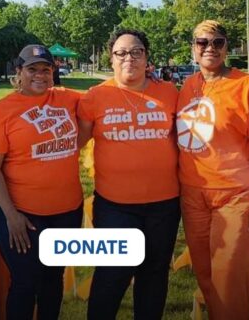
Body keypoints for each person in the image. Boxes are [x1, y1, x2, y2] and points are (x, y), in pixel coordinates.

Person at [176, 20, 249, 319]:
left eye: (217, 42)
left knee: (228, 279)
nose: (210, 48)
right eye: (202, 42)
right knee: (205, 276)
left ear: (227, 48)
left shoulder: (246, 84)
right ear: (193, 48)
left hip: (236, 195)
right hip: (193, 196)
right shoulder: (188, 86)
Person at [78, 29, 180, 320]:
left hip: (164, 205)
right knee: (112, 276)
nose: (129, 58)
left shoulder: (169, 93)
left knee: (154, 275)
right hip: (115, 207)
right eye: (121, 53)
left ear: (147, 58)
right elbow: (72, 144)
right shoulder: (96, 96)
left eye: (137, 52)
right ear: (110, 59)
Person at [0, 44, 83, 320]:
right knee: (25, 282)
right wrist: (10, 215)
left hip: (67, 211)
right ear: (19, 72)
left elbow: (105, 97)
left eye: (46, 69)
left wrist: (146, 75)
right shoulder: (2, 111)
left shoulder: (67, 99)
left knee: (53, 279)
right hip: (23, 215)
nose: (40, 75)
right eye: (32, 69)